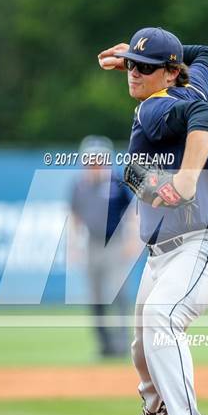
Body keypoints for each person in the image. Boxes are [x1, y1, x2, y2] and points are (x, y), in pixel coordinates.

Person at [98, 28, 208, 415]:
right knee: (142, 344)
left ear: (169, 73)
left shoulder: (159, 106)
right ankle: (155, 405)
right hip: (163, 253)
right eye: (133, 66)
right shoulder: (187, 80)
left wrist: (188, 177)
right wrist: (141, 55)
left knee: (162, 317)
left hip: (203, 244)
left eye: (146, 67)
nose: (135, 74)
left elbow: (205, 114)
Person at [69, 136, 132, 358]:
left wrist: (132, 240)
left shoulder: (116, 183)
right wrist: (74, 245)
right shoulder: (79, 185)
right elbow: (75, 216)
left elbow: (132, 211)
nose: (94, 163)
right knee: (95, 297)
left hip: (114, 242)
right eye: (90, 159)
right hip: (92, 244)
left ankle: (122, 344)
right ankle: (104, 345)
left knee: (117, 293)